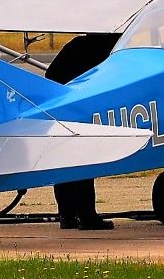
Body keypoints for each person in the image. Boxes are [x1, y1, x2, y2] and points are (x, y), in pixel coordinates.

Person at [44, 33, 119, 231]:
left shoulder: (76, 45)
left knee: (64, 161)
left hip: (59, 105)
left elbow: (50, 75)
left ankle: (67, 215)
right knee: (85, 161)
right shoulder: (107, 50)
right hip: (82, 108)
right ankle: (87, 215)